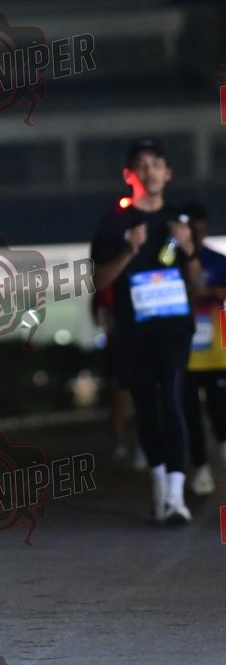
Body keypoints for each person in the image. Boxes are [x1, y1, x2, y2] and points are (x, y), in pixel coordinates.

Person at [91, 139, 199, 525]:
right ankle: (159, 482)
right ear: (129, 174)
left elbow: (197, 279)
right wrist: (129, 251)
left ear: (168, 173)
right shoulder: (115, 223)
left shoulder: (178, 222)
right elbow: (97, 280)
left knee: (171, 397)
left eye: (156, 164)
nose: (150, 171)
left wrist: (188, 247)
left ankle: (176, 495)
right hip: (134, 330)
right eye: (142, 165)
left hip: (174, 327)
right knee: (146, 406)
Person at [177, 202, 226, 495]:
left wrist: (208, 293)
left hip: (217, 354)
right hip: (183, 355)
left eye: (200, 229)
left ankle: (222, 447)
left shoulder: (218, 261)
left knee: (220, 410)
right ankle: (201, 469)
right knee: (189, 416)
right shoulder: (170, 260)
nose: (196, 234)